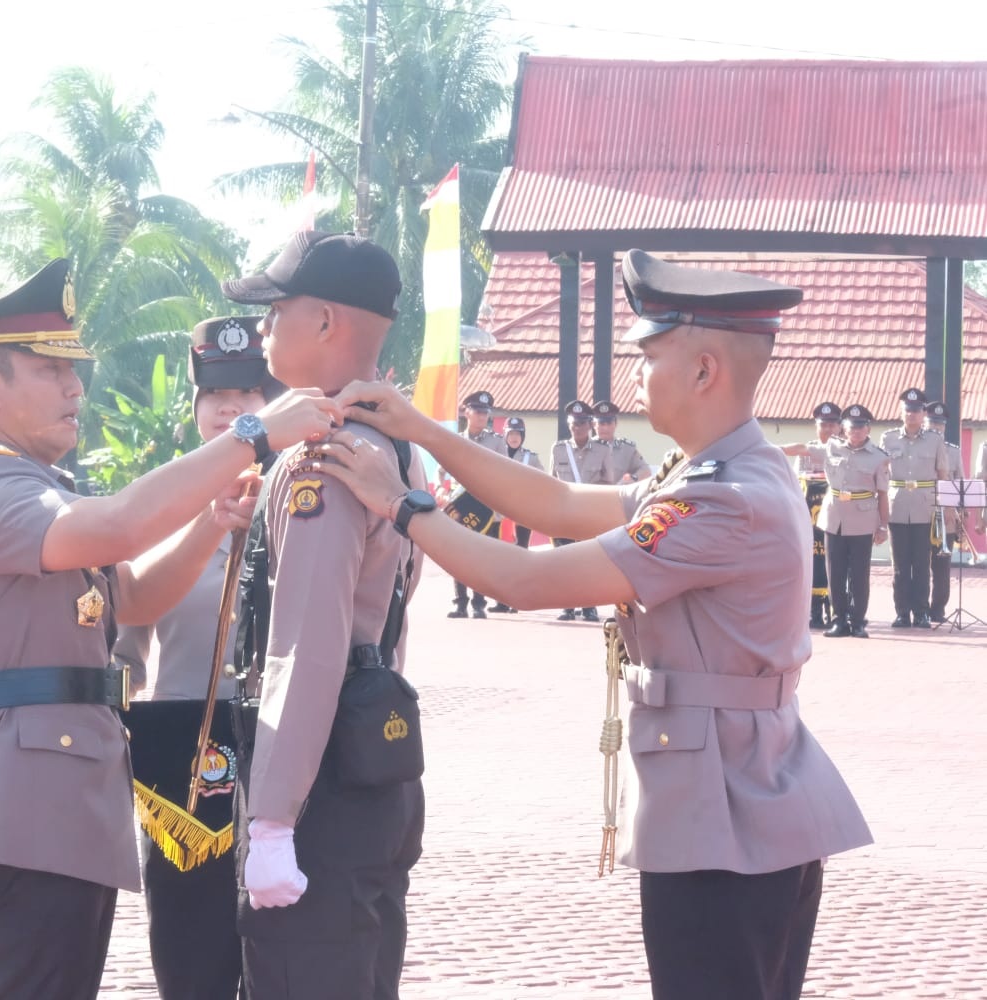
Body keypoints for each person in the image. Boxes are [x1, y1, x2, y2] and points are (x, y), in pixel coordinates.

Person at [317, 248, 872, 1000]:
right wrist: (427, 433)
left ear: (704, 370)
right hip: (748, 806)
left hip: (725, 827)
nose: (635, 376)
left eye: (649, 356)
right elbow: (556, 505)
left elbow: (525, 578)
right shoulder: (728, 470)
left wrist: (402, 504)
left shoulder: (718, 500)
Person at [0, 259, 338, 1000]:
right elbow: (117, 527)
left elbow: (132, 597)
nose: (76, 388)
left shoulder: (35, 484)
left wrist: (210, 525)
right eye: (51, 371)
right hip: (24, 803)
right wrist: (253, 433)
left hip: (57, 799)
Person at [220, 230, 426, 1000]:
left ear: (329, 323)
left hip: (318, 788)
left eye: (277, 310)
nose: (265, 329)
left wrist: (271, 820)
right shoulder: (393, 446)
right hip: (370, 766)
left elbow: (305, 649)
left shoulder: (323, 459)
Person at [112, 314, 284, 1000]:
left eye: (248, 394)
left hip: (283, 743)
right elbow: (127, 633)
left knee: (282, 934)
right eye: (216, 394)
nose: (231, 410)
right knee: (188, 941)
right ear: (194, 407)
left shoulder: (305, 502)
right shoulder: (153, 504)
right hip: (182, 751)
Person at [796, 405, 891, 638]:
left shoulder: (879, 457)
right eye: (851, 427)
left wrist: (882, 525)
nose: (855, 431)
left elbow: (883, 495)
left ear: (867, 428)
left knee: (859, 573)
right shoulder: (831, 447)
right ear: (844, 429)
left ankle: (858, 621)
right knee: (835, 572)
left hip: (862, 518)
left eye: (860, 427)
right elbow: (802, 449)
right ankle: (839, 620)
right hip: (834, 518)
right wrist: (767, 449)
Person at [881, 387, 952, 628]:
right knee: (900, 566)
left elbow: (942, 475)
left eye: (916, 410)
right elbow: (881, 475)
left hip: (925, 509)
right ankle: (902, 612)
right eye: (907, 410)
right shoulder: (888, 438)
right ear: (901, 412)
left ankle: (921, 612)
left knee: (922, 564)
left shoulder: (935, 440)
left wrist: (944, 510)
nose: (911, 414)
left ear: (923, 413)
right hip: (897, 507)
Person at [781, 401, 843, 629]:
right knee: (812, 565)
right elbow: (796, 486)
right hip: (809, 522)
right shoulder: (805, 454)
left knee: (837, 565)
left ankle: (838, 611)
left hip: (838, 519)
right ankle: (814, 612)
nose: (828, 429)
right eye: (823, 425)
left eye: (832, 425)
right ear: (816, 427)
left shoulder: (847, 451)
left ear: (840, 427)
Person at [550, 399, 611, 622]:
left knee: (588, 563)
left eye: (583, 424)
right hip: (564, 514)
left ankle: (589, 607)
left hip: (589, 513)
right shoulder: (558, 449)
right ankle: (567, 606)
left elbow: (608, 482)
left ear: (590, 425)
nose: (579, 428)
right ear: (569, 425)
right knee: (565, 562)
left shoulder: (603, 451)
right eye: (575, 424)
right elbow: (552, 482)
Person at [448, 390, 505, 618]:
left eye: (485, 413)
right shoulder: (455, 440)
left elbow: (504, 471)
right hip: (461, 506)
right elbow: (445, 470)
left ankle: (479, 603)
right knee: (458, 556)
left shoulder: (497, 442)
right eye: (478, 412)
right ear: (467, 413)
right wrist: (444, 490)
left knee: (481, 558)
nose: (482, 417)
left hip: (486, 507)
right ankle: (460, 603)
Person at [485, 415, 546, 613]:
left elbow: (543, 482)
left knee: (520, 557)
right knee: (499, 558)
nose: (514, 438)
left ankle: (517, 600)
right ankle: (501, 601)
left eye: (518, 434)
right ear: (504, 435)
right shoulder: (494, 455)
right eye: (511, 434)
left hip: (522, 515)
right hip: (497, 515)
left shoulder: (531, 458)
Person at [925, 401, 965, 623]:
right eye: (932, 423)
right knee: (920, 564)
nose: (936, 428)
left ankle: (938, 608)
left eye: (940, 425)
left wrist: (956, 509)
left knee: (942, 566)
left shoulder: (953, 451)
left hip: (946, 515)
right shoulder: (918, 448)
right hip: (922, 512)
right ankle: (919, 607)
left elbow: (959, 483)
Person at [592, 400, 651, 483]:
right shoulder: (586, 447)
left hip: (616, 494)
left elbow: (645, 471)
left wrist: (632, 478)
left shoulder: (626, 449)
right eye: (601, 423)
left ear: (615, 424)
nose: (605, 428)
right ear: (594, 425)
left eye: (609, 423)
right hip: (590, 494)